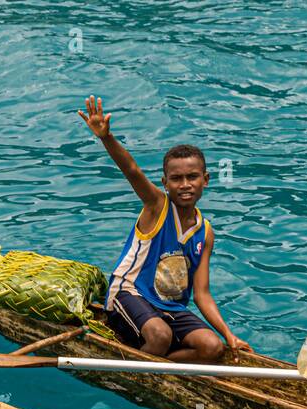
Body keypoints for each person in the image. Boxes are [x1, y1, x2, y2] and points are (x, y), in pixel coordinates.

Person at [77, 96, 250, 361]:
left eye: (192, 177)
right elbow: (133, 171)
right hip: (130, 294)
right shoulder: (157, 206)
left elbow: (202, 293)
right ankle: (132, 372)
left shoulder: (205, 232)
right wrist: (106, 137)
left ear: (206, 180)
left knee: (212, 348)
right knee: (159, 336)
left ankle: (154, 366)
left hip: (168, 307)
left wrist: (229, 335)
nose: (185, 185)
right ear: (165, 183)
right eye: (176, 179)